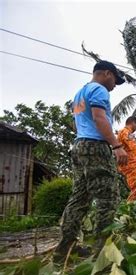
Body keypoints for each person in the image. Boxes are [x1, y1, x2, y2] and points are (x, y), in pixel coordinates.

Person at [54, 60, 127, 260]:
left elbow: (79, 123)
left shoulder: (79, 94)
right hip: (95, 146)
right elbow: (99, 118)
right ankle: (102, 251)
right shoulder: (100, 90)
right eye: (115, 82)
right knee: (108, 197)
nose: (113, 87)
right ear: (107, 74)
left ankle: (65, 250)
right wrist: (117, 146)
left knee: (79, 198)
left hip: (79, 147)